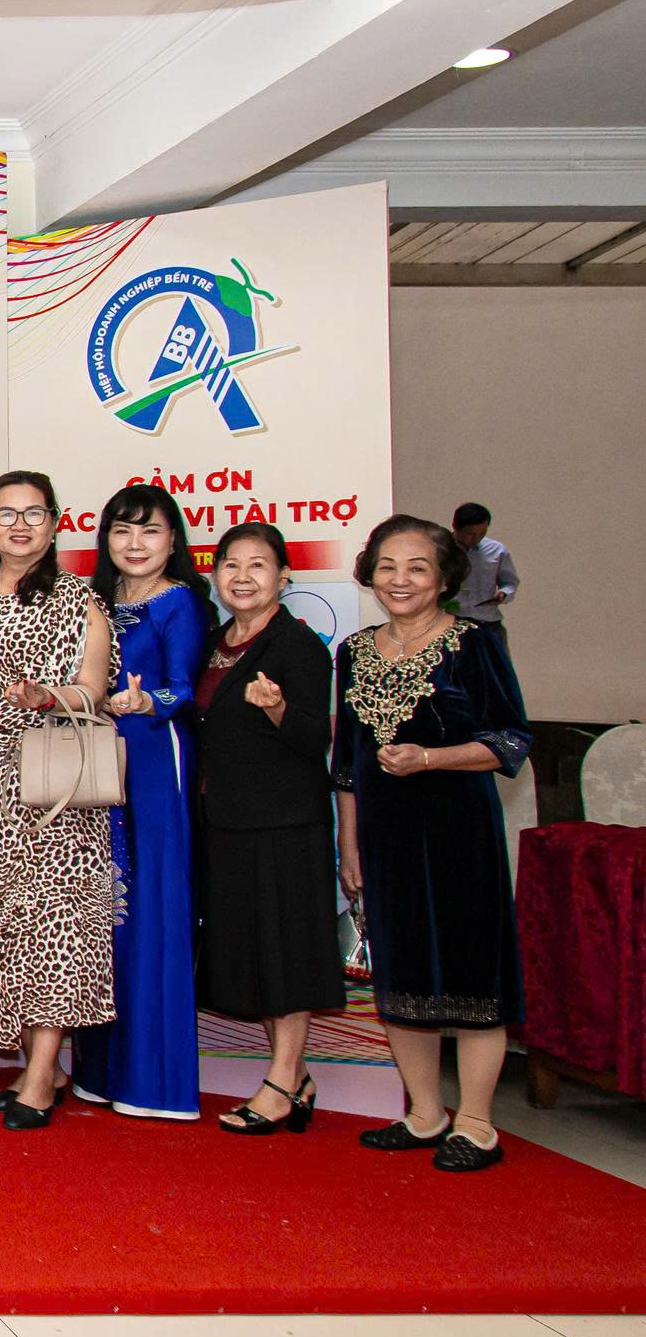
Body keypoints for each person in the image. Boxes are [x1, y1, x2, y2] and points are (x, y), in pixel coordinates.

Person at [335, 514, 532, 1172]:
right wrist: (350, 845)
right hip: (384, 839)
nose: (400, 579)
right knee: (403, 976)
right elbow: (347, 763)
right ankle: (424, 1113)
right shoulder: (353, 652)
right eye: (388, 565)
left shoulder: (475, 644)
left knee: (474, 974)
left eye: (417, 567)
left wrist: (431, 758)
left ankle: (475, 1123)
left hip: (460, 835)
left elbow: (511, 740)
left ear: (445, 578)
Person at [0, 470, 116, 1131]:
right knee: (1, 924)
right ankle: (32, 1064)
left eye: (34, 513)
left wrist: (47, 695)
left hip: (56, 781)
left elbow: (94, 688)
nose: (20, 526)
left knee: (55, 925)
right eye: (6, 514)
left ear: (54, 523)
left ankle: (44, 1071)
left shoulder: (79, 599)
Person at [196, 522, 342, 1135]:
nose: (242, 577)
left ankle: (282, 1082)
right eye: (230, 564)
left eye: (258, 565)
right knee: (256, 952)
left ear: (283, 576)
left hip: (284, 824)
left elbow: (315, 739)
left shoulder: (298, 645)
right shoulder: (215, 641)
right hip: (227, 821)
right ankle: (296, 1077)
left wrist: (277, 707)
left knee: (286, 951)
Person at [74, 482, 210, 1122]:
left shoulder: (179, 602)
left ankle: (155, 1082)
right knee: (104, 915)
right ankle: (99, 1072)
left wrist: (145, 700)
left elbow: (184, 687)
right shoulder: (95, 601)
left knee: (151, 908)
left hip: (155, 762)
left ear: (173, 539)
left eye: (149, 530)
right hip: (98, 761)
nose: (135, 543)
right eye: (122, 530)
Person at [451, 501, 519, 648]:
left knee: (498, 663)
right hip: (450, 624)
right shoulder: (439, 550)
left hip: (488, 624)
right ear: (455, 527)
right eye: (470, 534)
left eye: (482, 533)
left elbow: (510, 582)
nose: (476, 539)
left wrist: (503, 593)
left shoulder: (497, 550)